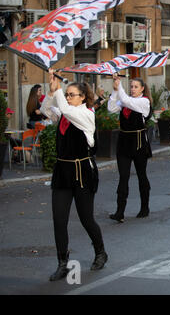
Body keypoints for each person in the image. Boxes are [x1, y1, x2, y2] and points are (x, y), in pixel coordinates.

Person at [40, 69, 107, 281]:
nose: (68, 97)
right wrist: (52, 92)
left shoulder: (86, 114)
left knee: (86, 218)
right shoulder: (63, 113)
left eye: (72, 94)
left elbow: (67, 111)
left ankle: (100, 252)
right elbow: (45, 110)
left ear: (83, 97)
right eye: (66, 94)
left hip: (82, 172)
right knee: (59, 220)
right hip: (62, 172)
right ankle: (63, 263)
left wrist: (59, 89)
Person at [108, 74, 152, 223]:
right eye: (131, 86)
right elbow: (112, 107)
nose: (132, 89)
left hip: (139, 142)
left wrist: (119, 86)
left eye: (135, 87)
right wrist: (115, 90)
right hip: (124, 142)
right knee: (123, 176)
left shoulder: (143, 102)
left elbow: (127, 101)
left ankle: (144, 207)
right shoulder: (126, 101)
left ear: (142, 89)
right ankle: (120, 211)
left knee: (141, 175)